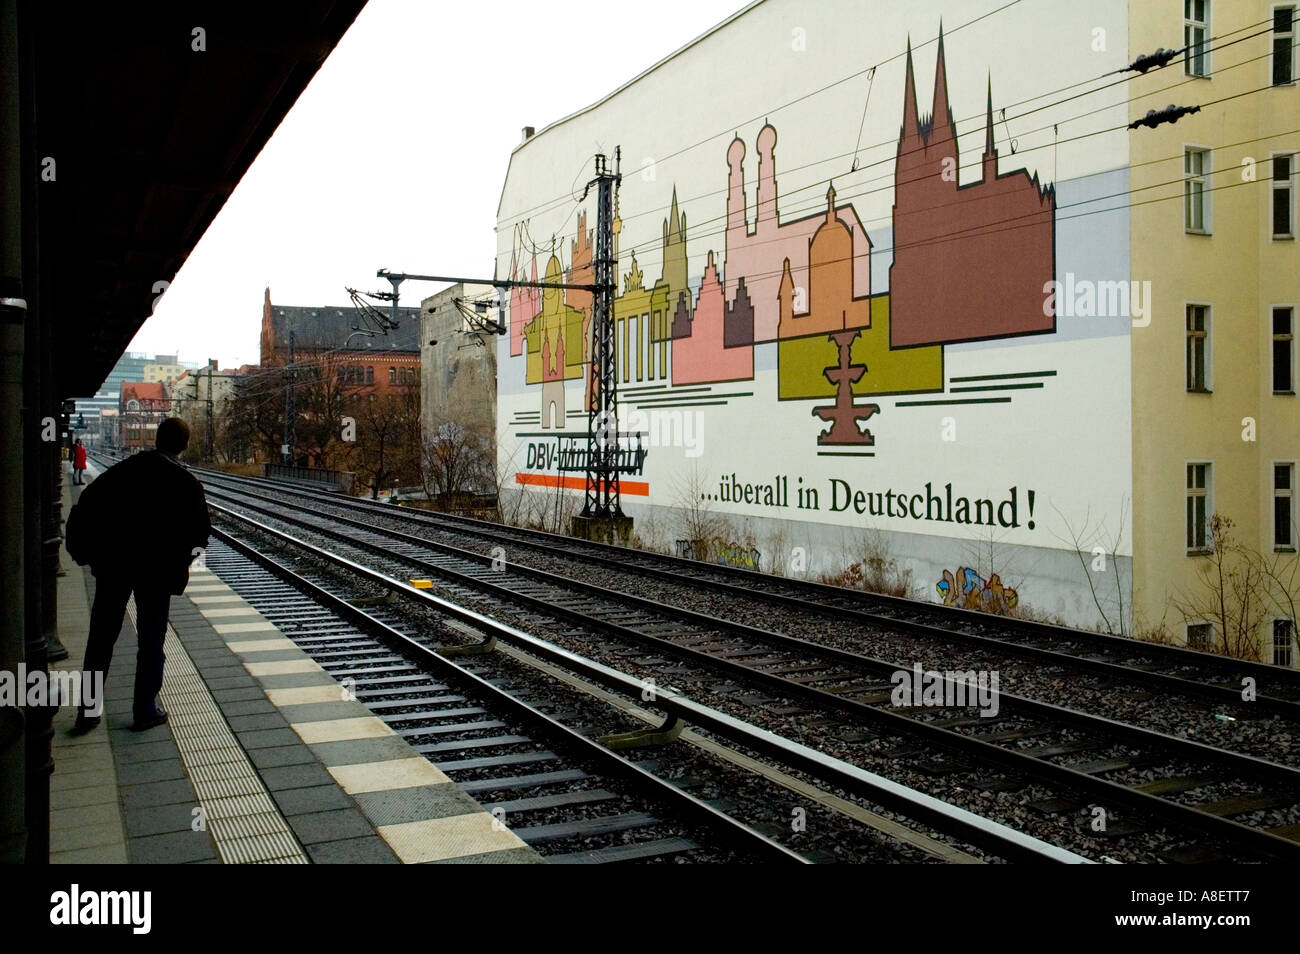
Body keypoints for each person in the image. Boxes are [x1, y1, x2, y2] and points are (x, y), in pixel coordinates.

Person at [64, 418, 210, 733]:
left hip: (113, 568)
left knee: (101, 639)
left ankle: (88, 712)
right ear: (184, 446)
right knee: (151, 641)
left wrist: (86, 555)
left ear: (156, 440)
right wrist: (180, 562)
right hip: (156, 574)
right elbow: (200, 534)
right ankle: (144, 709)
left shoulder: (122, 472)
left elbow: (84, 509)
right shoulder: (185, 482)